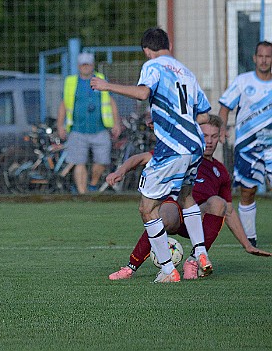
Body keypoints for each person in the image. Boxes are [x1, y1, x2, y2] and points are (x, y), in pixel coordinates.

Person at [91, 27, 212, 283]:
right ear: (167, 44)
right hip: (195, 144)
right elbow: (202, 114)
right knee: (187, 196)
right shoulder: (186, 72)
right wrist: (169, 119)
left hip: (172, 149)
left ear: (147, 50)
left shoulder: (154, 66)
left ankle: (168, 270)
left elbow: (144, 93)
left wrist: (106, 86)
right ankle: (200, 251)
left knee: (147, 209)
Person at [106, 115, 271, 281]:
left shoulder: (220, 171)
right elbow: (140, 158)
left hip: (197, 219)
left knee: (218, 203)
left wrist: (247, 245)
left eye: (214, 136)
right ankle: (130, 267)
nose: (209, 141)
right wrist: (120, 171)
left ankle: (193, 261)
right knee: (162, 212)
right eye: (205, 136)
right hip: (174, 213)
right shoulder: (181, 154)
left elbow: (229, 210)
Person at [218, 41, 272, 247]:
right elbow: (224, 107)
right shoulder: (243, 81)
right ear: (255, 58)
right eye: (261, 56)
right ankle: (250, 237)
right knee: (247, 191)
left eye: (268, 56)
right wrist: (222, 128)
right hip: (248, 147)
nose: (264, 60)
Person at [57, 52, 121, 194]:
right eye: (83, 65)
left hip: (100, 128)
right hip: (77, 129)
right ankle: (82, 193)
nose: (85, 67)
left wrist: (116, 123)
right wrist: (60, 125)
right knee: (79, 162)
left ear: (92, 65)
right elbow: (63, 104)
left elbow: (111, 101)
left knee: (102, 161)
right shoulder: (71, 82)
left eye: (88, 64)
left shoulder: (101, 79)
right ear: (79, 66)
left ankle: (92, 184)